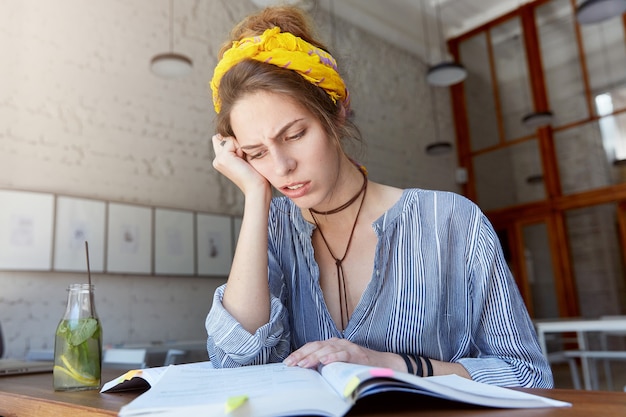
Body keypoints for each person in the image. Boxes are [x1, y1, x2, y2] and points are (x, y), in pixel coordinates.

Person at [205, 5, 553, 388]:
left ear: (337, 112)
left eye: (295, 135)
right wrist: (256, 197)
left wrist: (385, 363)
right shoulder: (273, 228)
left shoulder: (452, 221)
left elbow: (527, 375)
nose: (281, 166)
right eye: (256, 153)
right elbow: (234, 361)